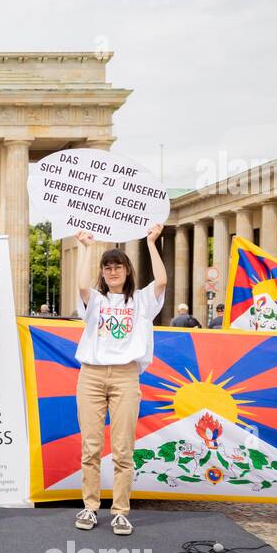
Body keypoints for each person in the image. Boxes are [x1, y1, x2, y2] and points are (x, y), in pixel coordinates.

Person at [72, 225, 167, 536]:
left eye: (118, 266)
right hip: (92, 376)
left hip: (126, 376)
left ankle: (121, 511)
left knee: (124, 448)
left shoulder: (141, 302)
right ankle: (89, 506)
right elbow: (83, 286)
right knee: (91, 446)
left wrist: (151, 242)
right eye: (108, 267)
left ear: (128, 271)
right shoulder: (96, 301)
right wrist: (86, 248)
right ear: (103, 272)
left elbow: (162, 280)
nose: (113, 271)